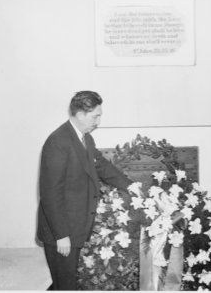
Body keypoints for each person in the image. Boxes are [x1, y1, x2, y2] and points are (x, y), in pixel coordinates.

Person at [37, 91, 132, 290]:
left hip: (75, 223)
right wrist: (61, 235)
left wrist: (131, 186)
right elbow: (50, 194)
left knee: (66, 280)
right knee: (65, 283)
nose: (98, 121)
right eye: (95, 116)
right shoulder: (58, 142)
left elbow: (101, 166)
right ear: (80, 114)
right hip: (61, 229)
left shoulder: (84, 138)